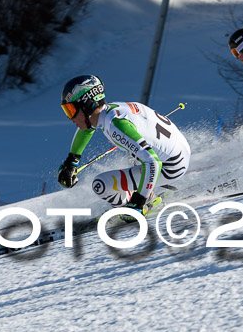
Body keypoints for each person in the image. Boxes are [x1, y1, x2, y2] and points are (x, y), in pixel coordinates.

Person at [56, 75, 191, 223]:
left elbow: (153, 162)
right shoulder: (109, 112)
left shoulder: (115, 125)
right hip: (178, 153)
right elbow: (87, 129)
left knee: (100, 185)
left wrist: (138, 203)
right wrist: (72, 161)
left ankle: (138, 204)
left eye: (71, 110)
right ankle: (148, 196)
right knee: (133, 158)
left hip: (171, 166)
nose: (70, 118)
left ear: (87, 104)